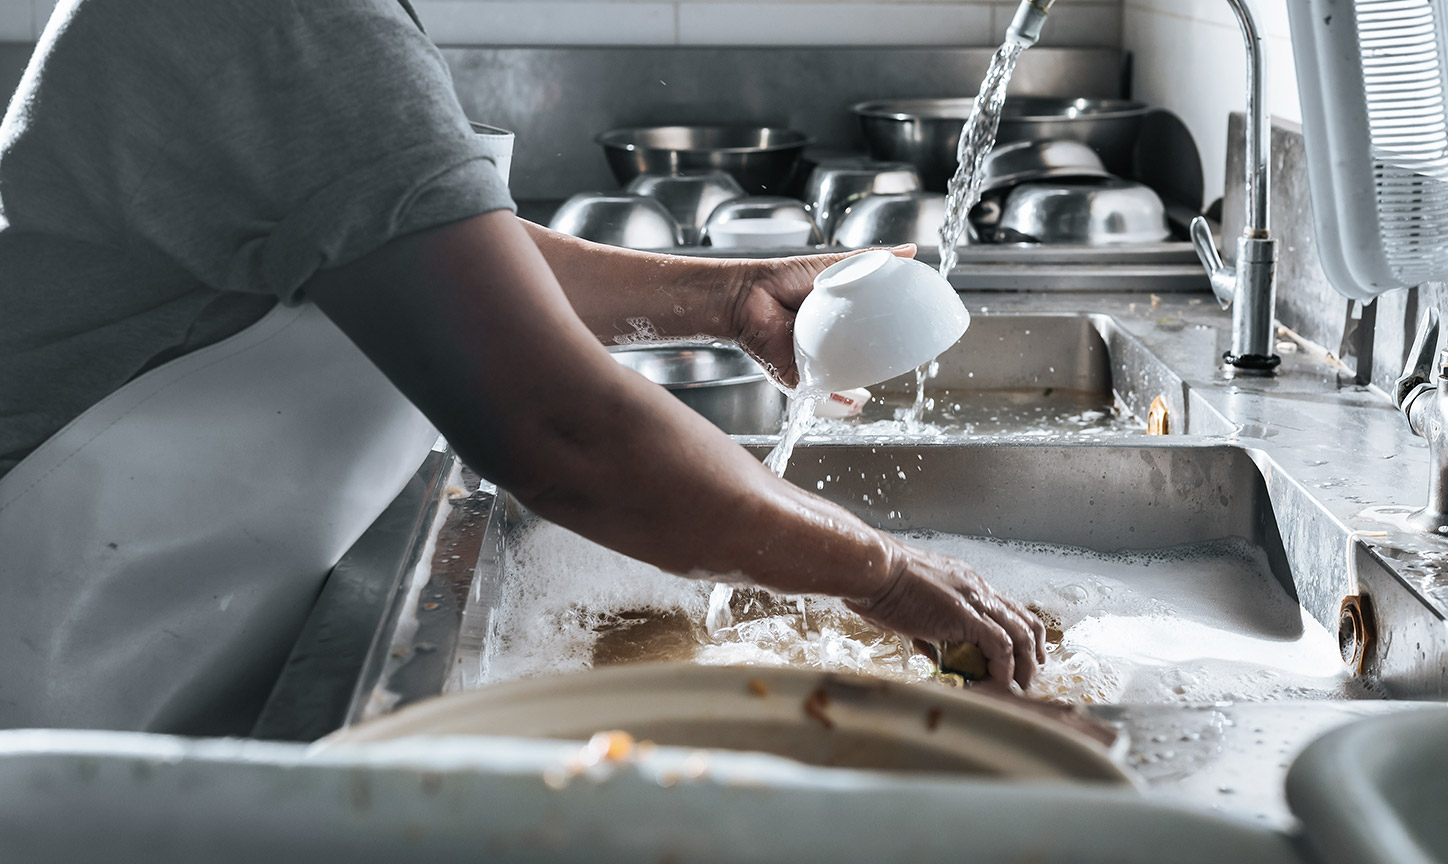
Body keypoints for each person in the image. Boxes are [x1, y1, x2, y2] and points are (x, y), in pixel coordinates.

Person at [0, 0, 1045, 734]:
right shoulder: (291, 21)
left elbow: (405, 237)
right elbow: (569, 439)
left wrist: (721, 300)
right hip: (55, 669)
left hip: (127, 632)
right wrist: (888, 576)